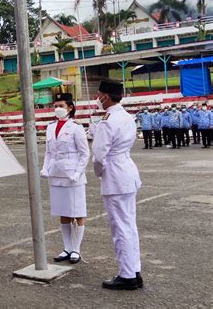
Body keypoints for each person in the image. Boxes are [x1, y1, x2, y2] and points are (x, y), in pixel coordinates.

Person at [92, 79, 143, 290]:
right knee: (129, 225)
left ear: (106, 96)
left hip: (115, 175)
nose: (97, 99)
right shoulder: (126, 117)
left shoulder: (108, 120)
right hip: (128, 171)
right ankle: (134, 270)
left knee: (120, 227)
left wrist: (99, 173)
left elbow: (98, 155)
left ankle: (127, 275)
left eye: (99, 95)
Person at [41, 93, 90, 265]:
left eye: (61, 105)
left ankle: (76, 249)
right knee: (63, 212)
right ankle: (67, 247)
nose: (57, 109)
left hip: (72, 175)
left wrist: (78, 172)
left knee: (77, 212)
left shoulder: (76, 127)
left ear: (70, 107)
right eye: (55, 105)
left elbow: (85, 153)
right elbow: (49, 152)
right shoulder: (50, 127)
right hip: (56, 174)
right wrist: (45, 168)